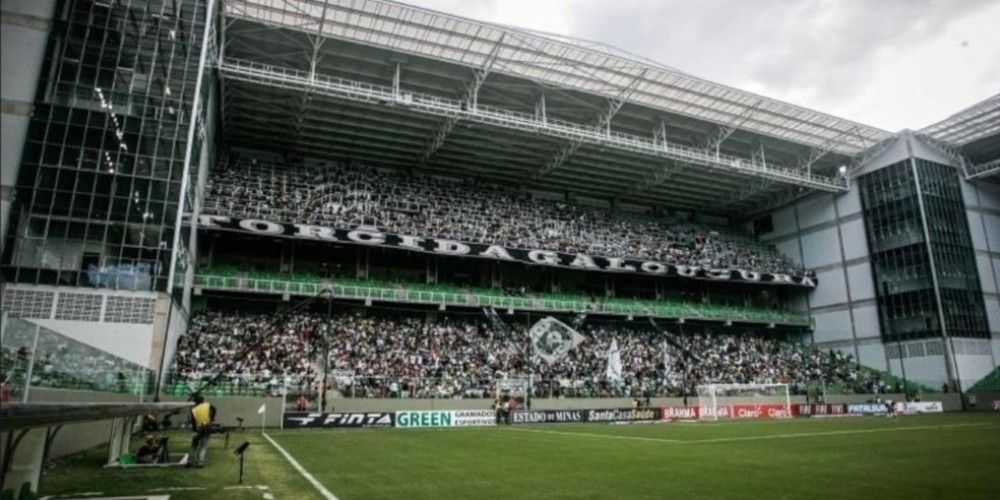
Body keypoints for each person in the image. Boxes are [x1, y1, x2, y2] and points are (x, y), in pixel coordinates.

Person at [188, 394, 216, 468]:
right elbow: (214, 409)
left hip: (198, 428)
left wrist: (194, 430)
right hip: (207, 427)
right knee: (203, 446)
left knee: (194, 446)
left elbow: (193, 421)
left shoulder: (193, 409)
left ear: (195, 401)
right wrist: (212, 418)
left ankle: (190, 461)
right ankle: (200, 462)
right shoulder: (208, 405)